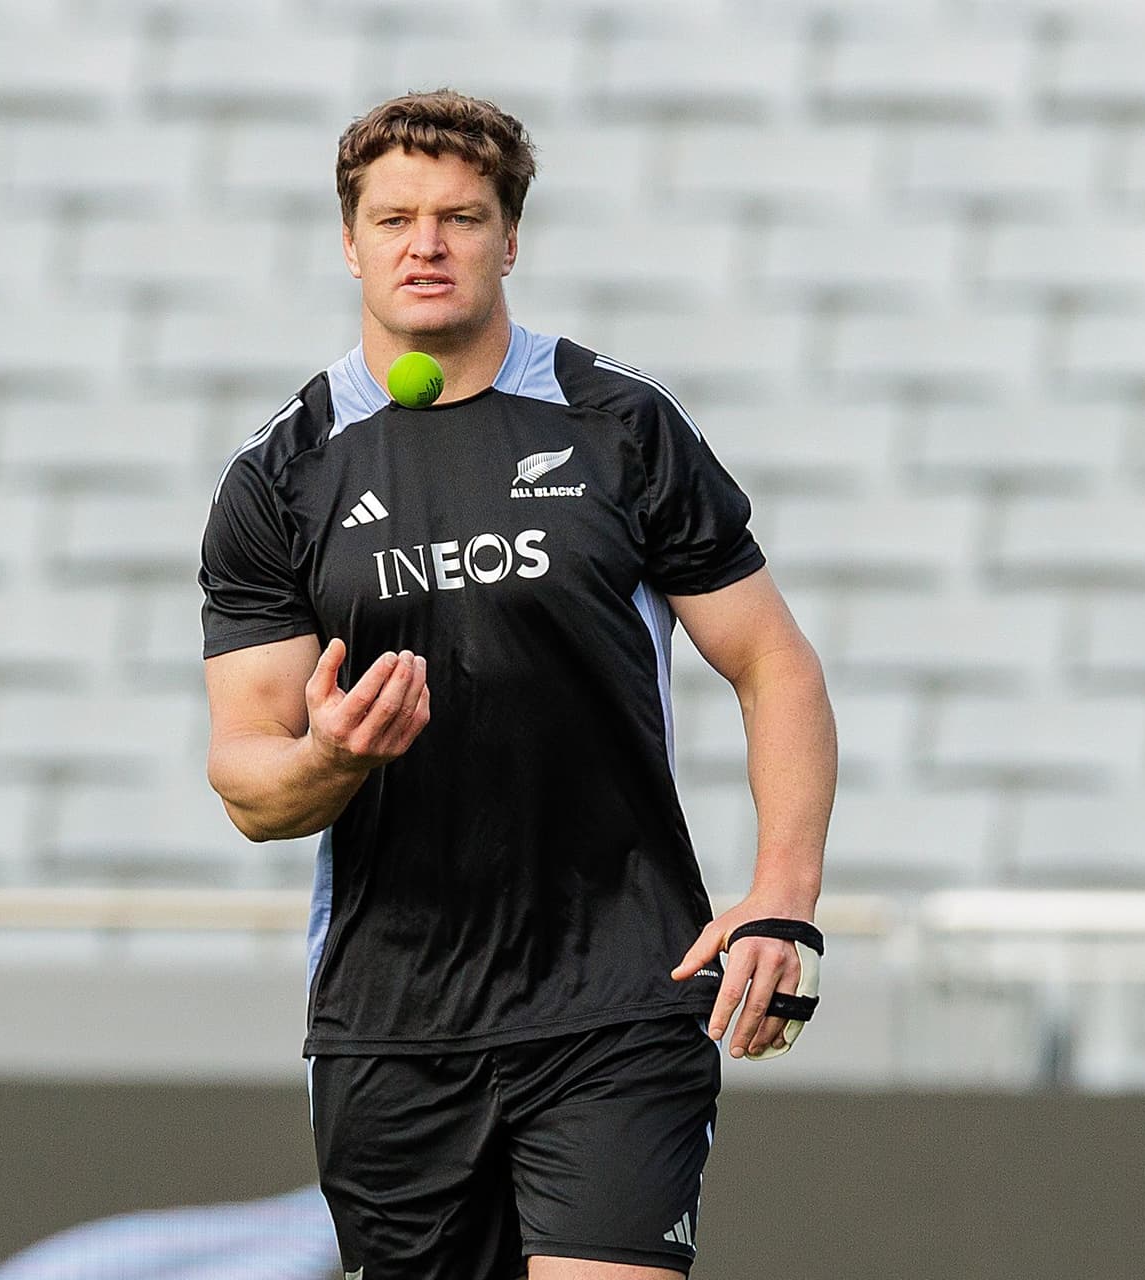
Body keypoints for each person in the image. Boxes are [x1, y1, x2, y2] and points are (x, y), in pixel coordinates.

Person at [198, 89, 837, 1280]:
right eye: (395, 219)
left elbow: (773, 661)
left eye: (460, 216)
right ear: (350, 241)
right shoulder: (280, 477)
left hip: (619, 997)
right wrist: (329, 756)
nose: (426, 244)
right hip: (392, 1027)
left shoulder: (620, 425)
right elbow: (247, 776)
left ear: (510, 237)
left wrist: (780, 893)